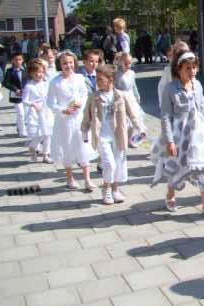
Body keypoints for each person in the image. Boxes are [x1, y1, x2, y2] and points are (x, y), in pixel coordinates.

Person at [151, 50, 204, 219]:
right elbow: (166, 116)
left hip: (198, 135)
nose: (191, 71)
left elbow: (202, 111)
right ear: (179, 70)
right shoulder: (170, 88)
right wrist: (169, 141)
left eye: (194, 68)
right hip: (179, 135)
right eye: (187, 68)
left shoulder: (197, 85)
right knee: (175, 167)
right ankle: (171, 194)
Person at [82, 64, 146, 205]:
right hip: (102, 136)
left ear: (111, 80)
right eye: (97, 79)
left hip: (118, 135)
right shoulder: (94, 97)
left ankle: (115, 189)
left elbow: (133, 114)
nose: (97, 82)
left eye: (100, 79)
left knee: (119, 162)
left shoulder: (121, 96)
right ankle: (106, 189)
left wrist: (140, 128)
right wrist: (84, 132)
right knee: (109, 163)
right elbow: (87, 116)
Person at [47, 50, 97, 191]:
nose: (68, 65)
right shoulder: (55, 82)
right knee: (67, 146)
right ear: (60, 64)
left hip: (79, 118)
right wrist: (63, 110)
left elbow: (84, 93)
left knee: (83, 147)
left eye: (70, 62)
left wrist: (79, 104)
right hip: (64, 121)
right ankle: (70, 178)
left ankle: (87, 180)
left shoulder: (80, 78)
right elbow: (50, 102)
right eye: (64, 63)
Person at [23, 58, 54, 163]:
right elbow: (24, 100)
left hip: (46, 111)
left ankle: (46, 154)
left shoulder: (46, 83)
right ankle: (32, 147)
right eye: (36, 72)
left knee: (48, 133)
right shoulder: (29, 86)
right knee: (39, 134)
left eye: (41, 72)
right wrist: (33, 104)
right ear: (31, 73)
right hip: (35, 113)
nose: (39, 74)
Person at [114, 52, 145, 148]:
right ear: (121, 62)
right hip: (121, 99)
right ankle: (122, 138)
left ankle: (131, 139)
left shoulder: (132, 73)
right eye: (126, 63)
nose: (128, 65)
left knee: (134, 119)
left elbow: (133, 85)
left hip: (131, 98)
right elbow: (114, 87)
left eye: (129, 63)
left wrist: (137, 96)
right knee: (124, 121)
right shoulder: (117, 74)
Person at [3, 52, 28, 137]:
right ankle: (22, 131)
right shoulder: (10, 71)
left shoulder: (25, 70)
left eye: (20, 59)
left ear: (22, 60)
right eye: (16, 60)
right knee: (20, 113)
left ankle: (19, 126)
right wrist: (15, 89)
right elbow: (5, 83)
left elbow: (29, 80)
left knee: (24, 113)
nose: (18, 61)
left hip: (26, 95)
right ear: (12, 61)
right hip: (16, 95)